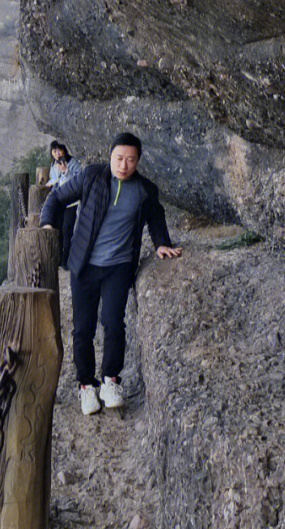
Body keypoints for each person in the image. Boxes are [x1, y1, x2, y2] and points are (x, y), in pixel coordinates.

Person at [40, 131, 181, 415]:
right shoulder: (92, 176)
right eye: (119, 158)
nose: (123, 165)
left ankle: (111, 381)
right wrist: (47, 225)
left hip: (118, 266)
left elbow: (155, 215)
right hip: (84, 265)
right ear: (110, 156)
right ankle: (85, 386)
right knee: (83, 329)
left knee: (114, 323)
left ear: (138, 161)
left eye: (130, 160)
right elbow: (56, 198)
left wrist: (162, 243)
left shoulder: (144, 190)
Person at [46, 140, 81, 268]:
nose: (57, 153)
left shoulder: (73, 163)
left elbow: (78, 181)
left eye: (59, 150)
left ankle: (67, 261)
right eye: (54, 151)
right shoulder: (54, 165)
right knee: (58, 230)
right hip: (61, 202)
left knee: (68, 231)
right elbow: (55, 179)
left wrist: (66, 171)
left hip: (72, 203)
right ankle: (60, 260)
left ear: (65, 150)